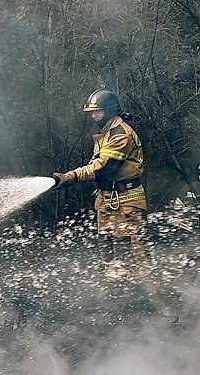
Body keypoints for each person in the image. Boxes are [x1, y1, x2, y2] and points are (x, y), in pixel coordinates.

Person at [51, 89, 146, 255]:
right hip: (107, 199)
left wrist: (71, 177)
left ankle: (143, 281)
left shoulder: (121, 134)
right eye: (92, 112)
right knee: (108, 253)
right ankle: (113, 280)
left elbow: (103, 168)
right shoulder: (107, 133)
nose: (94, 116)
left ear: (109, 110)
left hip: (126, 201)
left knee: (131, 254)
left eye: (97, 111)